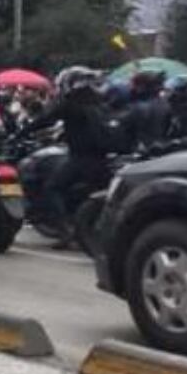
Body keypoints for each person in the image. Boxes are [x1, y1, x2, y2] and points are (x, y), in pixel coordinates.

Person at [15, 66, 113, 248]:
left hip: (81, 158)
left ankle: (64, 231)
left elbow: (46, 118)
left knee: (52, 188)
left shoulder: (71, 103)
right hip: (103, 159)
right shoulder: (100, 103)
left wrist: (21, 133)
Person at [121, 68, 171, 153]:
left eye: (134, 85)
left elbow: (126, 133)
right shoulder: (166, 104)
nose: (130, 87)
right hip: (164, 147)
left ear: (141, 86)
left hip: (143, 151)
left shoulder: (136, 108)